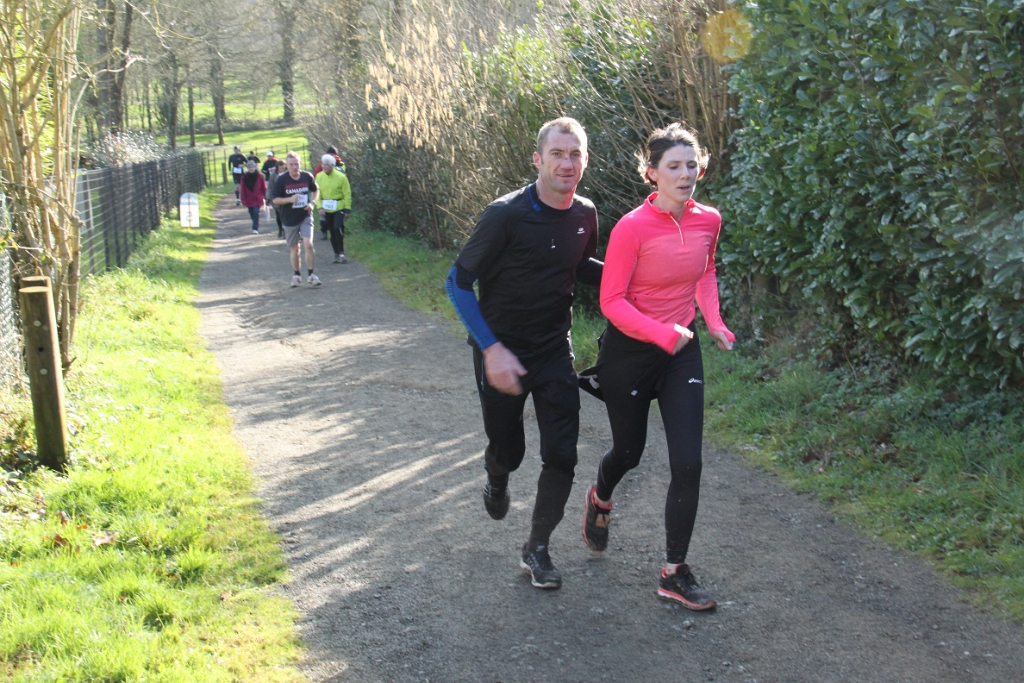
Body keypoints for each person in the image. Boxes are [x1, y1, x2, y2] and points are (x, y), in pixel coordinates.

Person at [578, 123, 735, 611]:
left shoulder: (709, 220)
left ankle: (674, 571)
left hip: (681, 350)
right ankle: (601, 496)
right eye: (674, 166)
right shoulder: (632, 228)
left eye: (692, 165)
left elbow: (705, 271)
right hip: (629, 353)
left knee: (688, 462)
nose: (685, 174)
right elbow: (611, 300)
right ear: (652, 173)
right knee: (629, 452)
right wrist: (659, 332)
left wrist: (714, 322)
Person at [446, 117, 602, 589]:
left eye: (575, 154)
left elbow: (579, 266)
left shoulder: (585, 213)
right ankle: (496, 475)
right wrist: (491, 348)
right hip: (501, 353)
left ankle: (537, 547)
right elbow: (457, 282)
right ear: (537, 159)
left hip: (554, 350)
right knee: (508, 450)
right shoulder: (505, 215)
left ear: (585, 160)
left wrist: (637, 278)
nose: (567, 163)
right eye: (557, 154)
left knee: (563, 455)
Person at [271, 151, 321, 287]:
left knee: (308, 244)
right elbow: (275, 199)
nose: (294, 167)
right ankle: (297, 275)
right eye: (292, 164)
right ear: (287, 165)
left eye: (297, 164)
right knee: (295, 249)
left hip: (305, 215)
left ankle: (311, 274)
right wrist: (290, 199)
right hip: (288, 218)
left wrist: (312, 203)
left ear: (300, 164)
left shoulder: (307, 176)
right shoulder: (282, 180)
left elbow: (315, 190)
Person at [314, 155, 352, 263]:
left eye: (326, 164)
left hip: (339, 207)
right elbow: (317, 194)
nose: (324, 166)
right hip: (326, 208)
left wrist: (347, 209)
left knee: (337, 228)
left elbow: (347, 193)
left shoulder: (341, 177)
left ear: (332, 165)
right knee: (331, 231)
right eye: (323, 164)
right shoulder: (319, 177)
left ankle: (341, 253)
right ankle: (336, 253)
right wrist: (319, 207)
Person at [313, 146, 344, 239]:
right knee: (338, 215)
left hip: (324, 192)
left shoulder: (323, 162)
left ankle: (324, 231)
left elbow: (315, 175)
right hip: (338, 193)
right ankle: (340, 231)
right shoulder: (341, 163)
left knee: (323, 215)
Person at [240, 160, 267, 234]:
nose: (251, 169)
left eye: (252, 167)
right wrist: (243, 200)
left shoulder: (260, 176)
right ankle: (255, 222)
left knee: (256, 212)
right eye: (249, 167)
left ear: (255, 167)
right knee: (251, 213)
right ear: (247, 168)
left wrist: (266, 196)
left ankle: (255, 228)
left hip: (258, 198)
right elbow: (242, 189)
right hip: (249, 199)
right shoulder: (244, 177)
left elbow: (263, 187)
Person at [266, 159, 287, 238]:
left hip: (286, 197)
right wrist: (269, 197)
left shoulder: (288, 173)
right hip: (276, 197)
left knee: (286, 215)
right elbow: (270, 187)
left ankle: (286, 231)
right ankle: (280, 229)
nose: (281, 170)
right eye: (280, 168)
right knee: (279, 216)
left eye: (283, 168)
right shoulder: (273, 175)